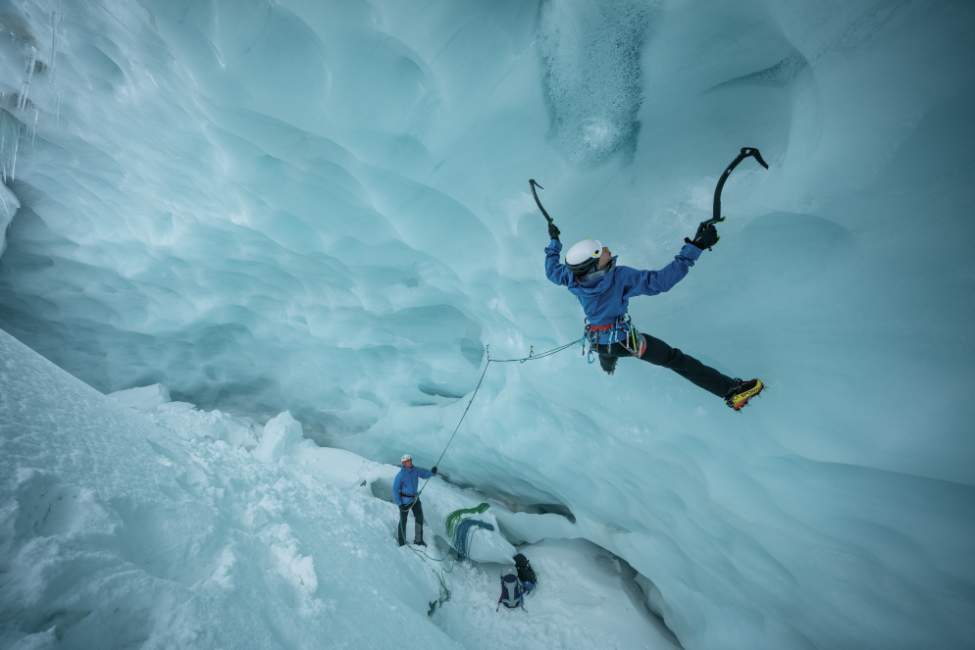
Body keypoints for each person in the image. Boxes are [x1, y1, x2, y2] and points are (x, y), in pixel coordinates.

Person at [544, 219, 764, 410]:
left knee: (608, 351)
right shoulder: (619, 277)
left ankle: (608, 366)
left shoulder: (571, 276)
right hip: (624, 341)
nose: (607, 249)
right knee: (675, 359)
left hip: (597, 340)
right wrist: (695, 247)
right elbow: (660, 282)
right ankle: (731, 392)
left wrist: (554, 241)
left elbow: (551, 270)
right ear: (594, 265)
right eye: (601, 252)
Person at [392, 454, 438, 546]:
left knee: (419, 517)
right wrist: (399, 503)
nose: (410, 462)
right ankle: (402, 542)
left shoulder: (415, 470)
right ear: (403, 463)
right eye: (407, 461)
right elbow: (395, 490)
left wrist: (432, 472)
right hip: (404, 502)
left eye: (410, 460)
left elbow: (424, 474)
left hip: (415, 499)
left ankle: (418, 540)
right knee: (403, 521)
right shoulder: (400, 475)